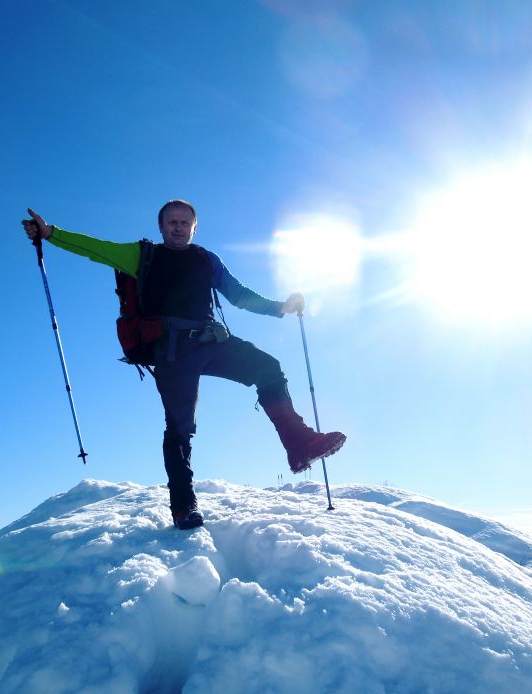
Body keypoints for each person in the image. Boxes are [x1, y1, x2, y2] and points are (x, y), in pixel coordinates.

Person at [22, 201, 346, 529]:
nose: (178, 227)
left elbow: (239, 295)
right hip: (172, 350)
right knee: (180, 427)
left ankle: (299, 444)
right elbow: (96, 249)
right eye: (172, 222)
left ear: (194, 227)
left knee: (268, 368)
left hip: (211, 341)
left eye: (184, 222)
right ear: (161, 227)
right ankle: (183, 506)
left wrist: (281, 307)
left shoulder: (207, 260)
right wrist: (51, 234)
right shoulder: (142, 255)